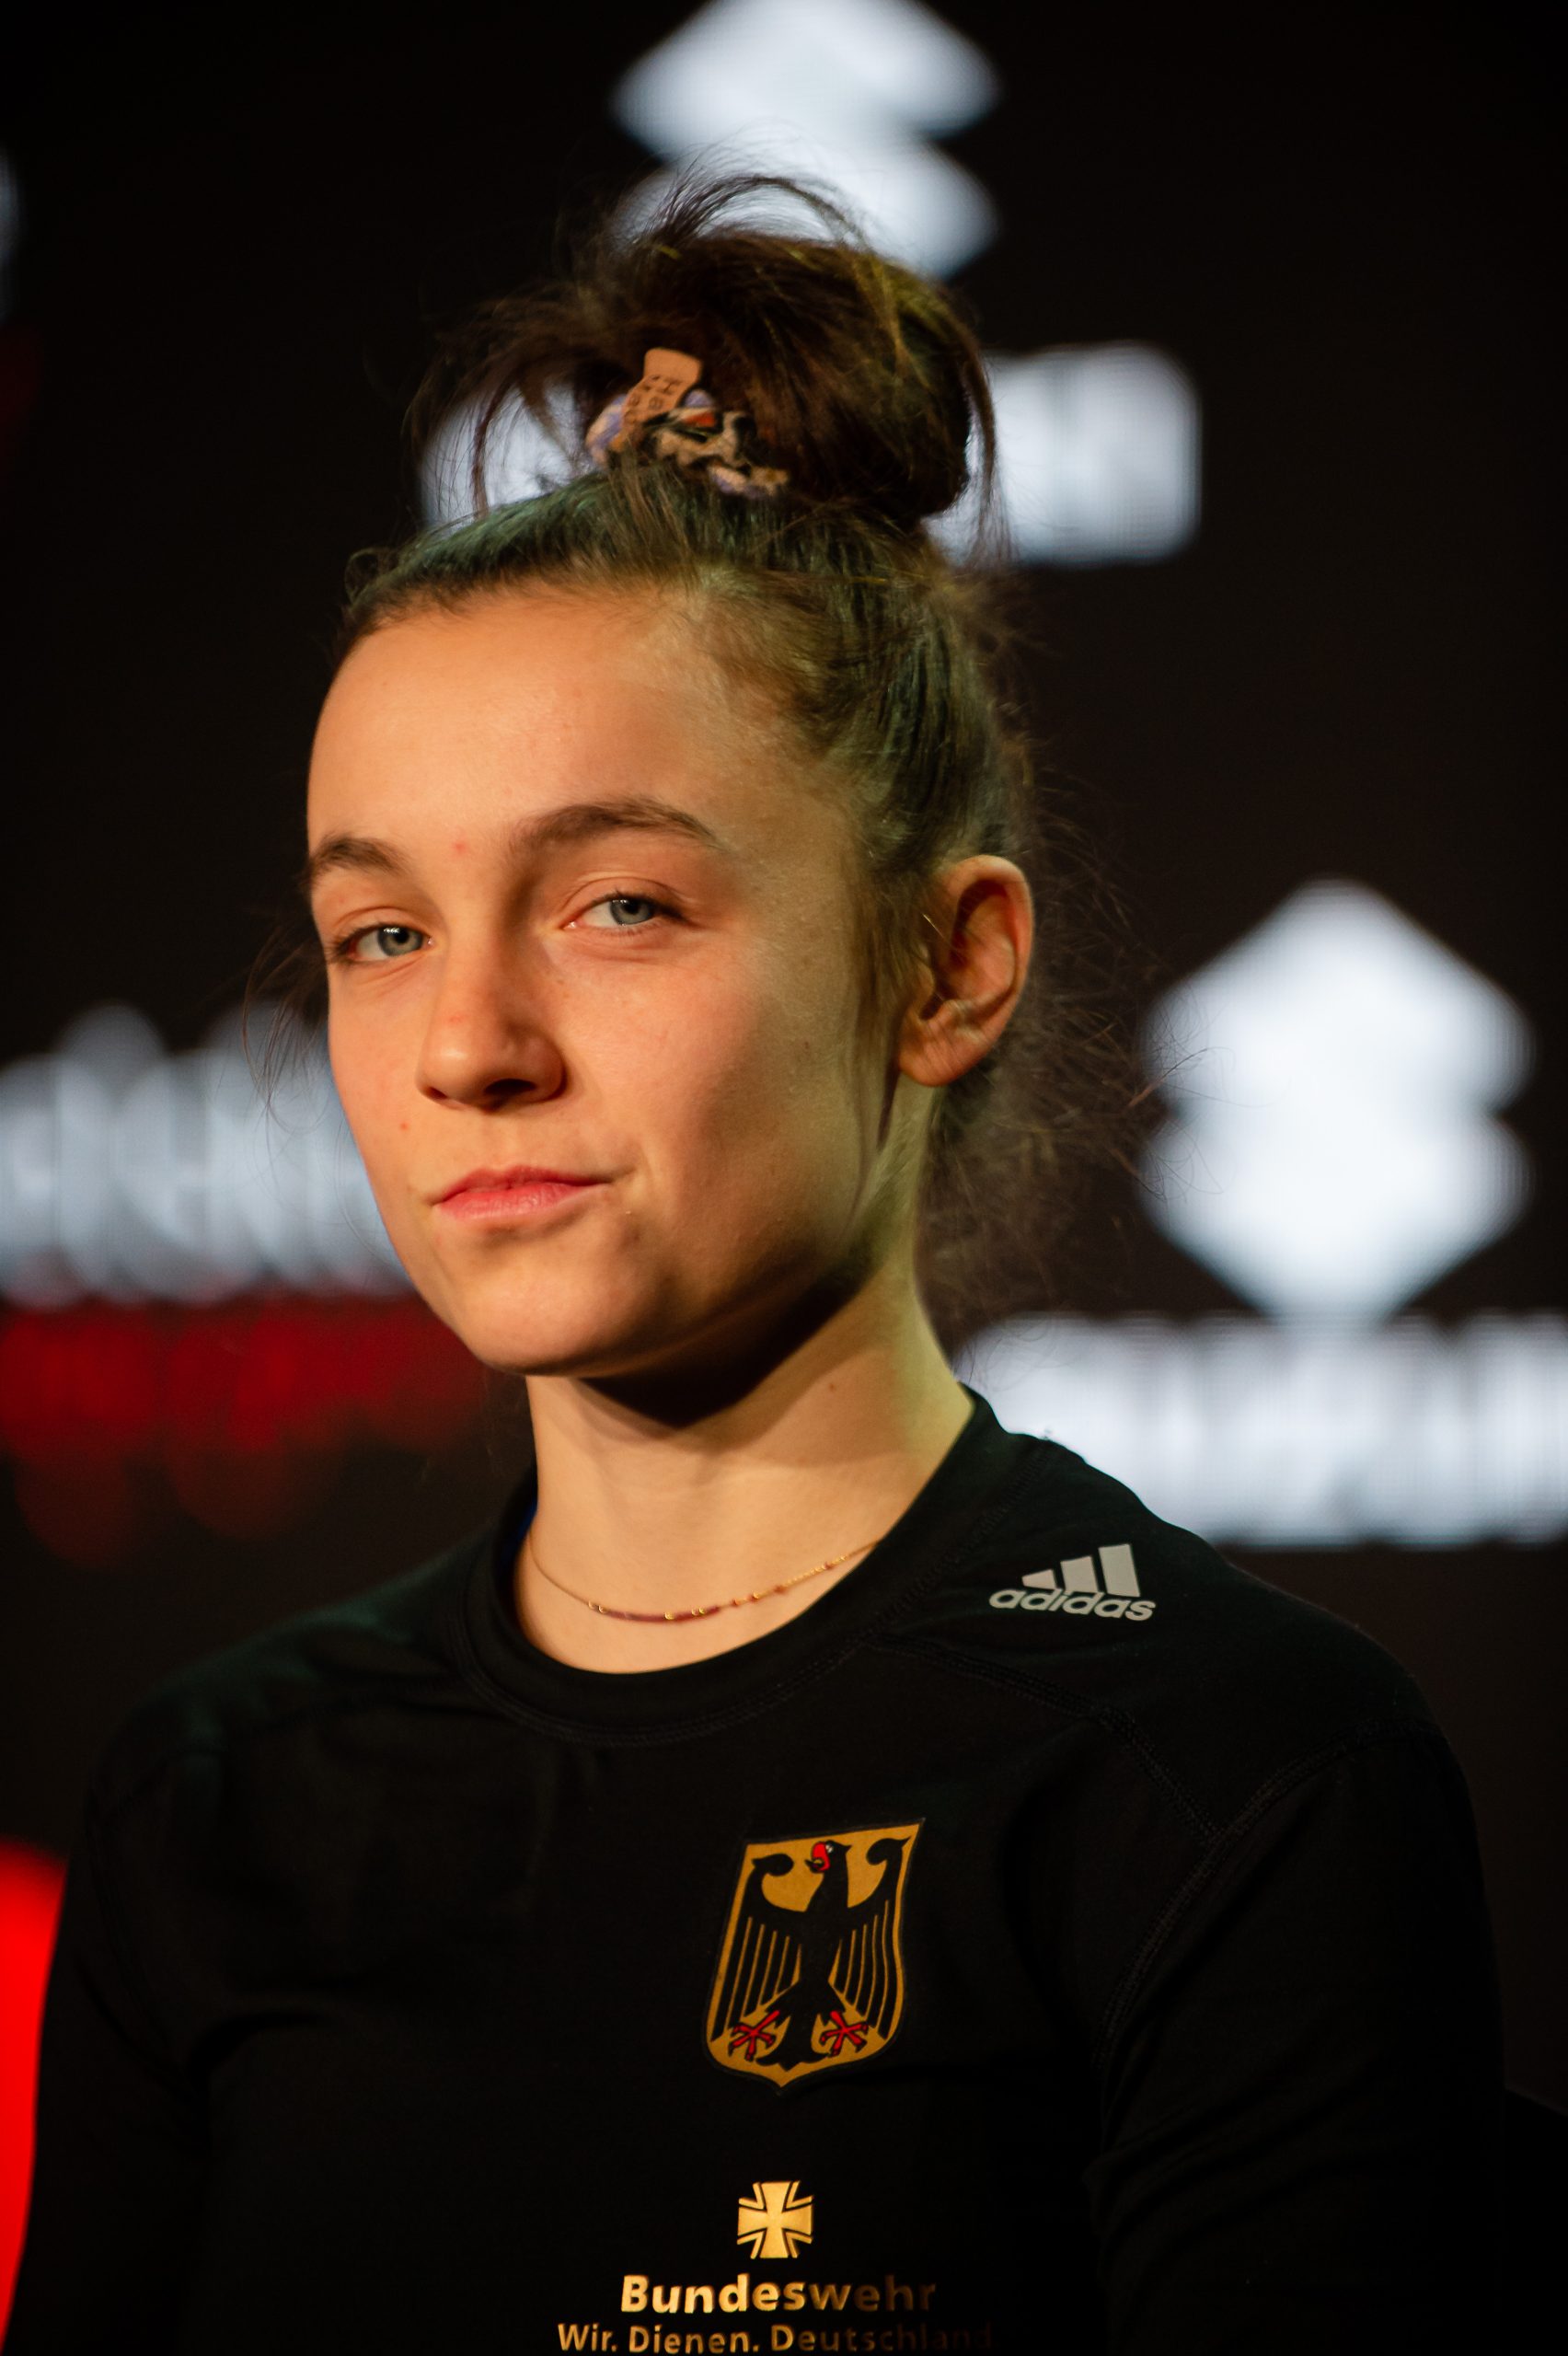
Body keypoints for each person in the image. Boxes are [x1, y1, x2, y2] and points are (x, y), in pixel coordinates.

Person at [5, 176, 1505, 2353]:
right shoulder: (216, 1801)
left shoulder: (1230, 1768)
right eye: (382, 930)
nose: (466, 1044)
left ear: (945, 964)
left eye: (618, 904)